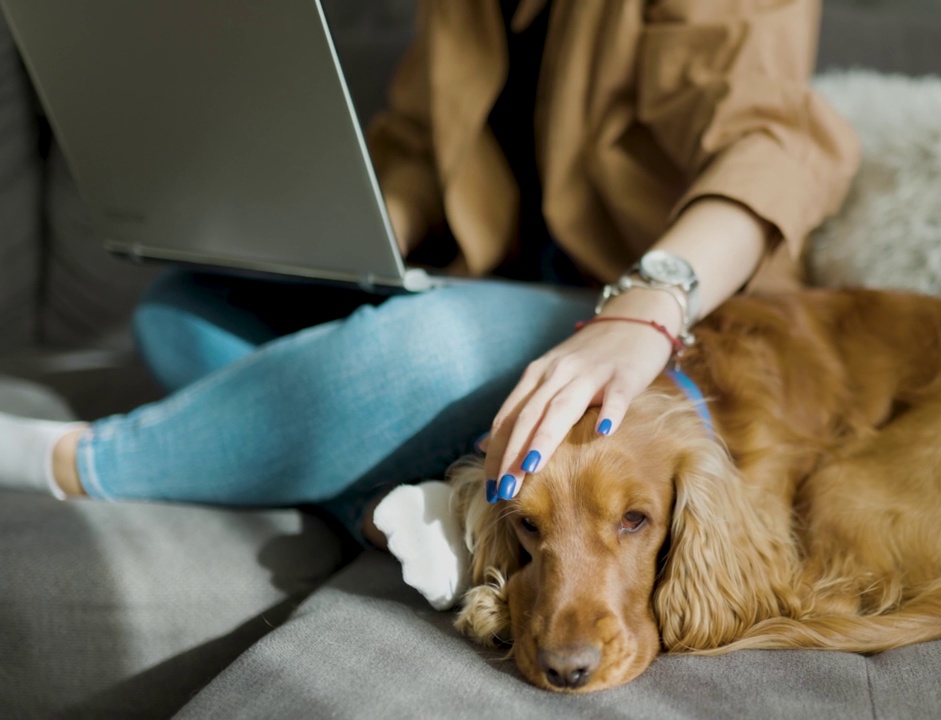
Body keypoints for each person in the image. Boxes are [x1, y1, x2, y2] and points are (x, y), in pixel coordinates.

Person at [0, 0, 858, 600]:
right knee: (180, 310)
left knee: (428, 347)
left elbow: (775, 142)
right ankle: (406, 516)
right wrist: (344, 246)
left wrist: (649, 304)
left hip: (660, 320)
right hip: (491, 285)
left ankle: (81, 462)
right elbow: (415, 147)